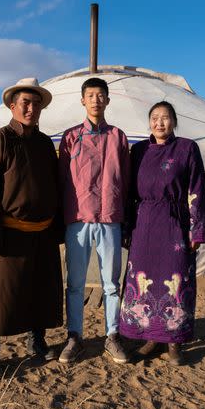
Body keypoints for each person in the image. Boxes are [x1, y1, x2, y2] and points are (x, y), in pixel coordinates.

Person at [0, 78, 64, 379]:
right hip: (7, 235)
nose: (31, 108)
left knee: (39, 291)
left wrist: (57, 229)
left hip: (42, 233)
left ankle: (36, 343)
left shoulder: (45, 144)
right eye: (25, 102)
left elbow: (56, 188)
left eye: (36, 103)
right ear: (12, 106)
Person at [119, 101, 205, 366]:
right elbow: (127, 193)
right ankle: (151, 338)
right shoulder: (139, 150)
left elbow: (197, 191)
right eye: (155, 118)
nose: (160, 122)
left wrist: (197, 230)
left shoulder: (187, 149)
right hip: (144, 225)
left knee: (176, 279)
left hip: (174, 225)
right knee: (146, 283)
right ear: (149, 122)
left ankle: (174, 343)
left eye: (166, 118)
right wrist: (126, 227)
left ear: (174, 122)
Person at [58, 77, 130, 364]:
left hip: (110, 217)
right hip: (78, 218)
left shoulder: (118, 136)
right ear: (82, 100)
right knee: (75, 283)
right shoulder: (70, 137)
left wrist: (124, 217)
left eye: (101, 95)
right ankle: (74, 336)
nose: (96, 100)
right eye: (91, 95)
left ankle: (112, 336)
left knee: (111, 283)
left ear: (108, 101)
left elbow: (125, 180)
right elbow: (61, 179)